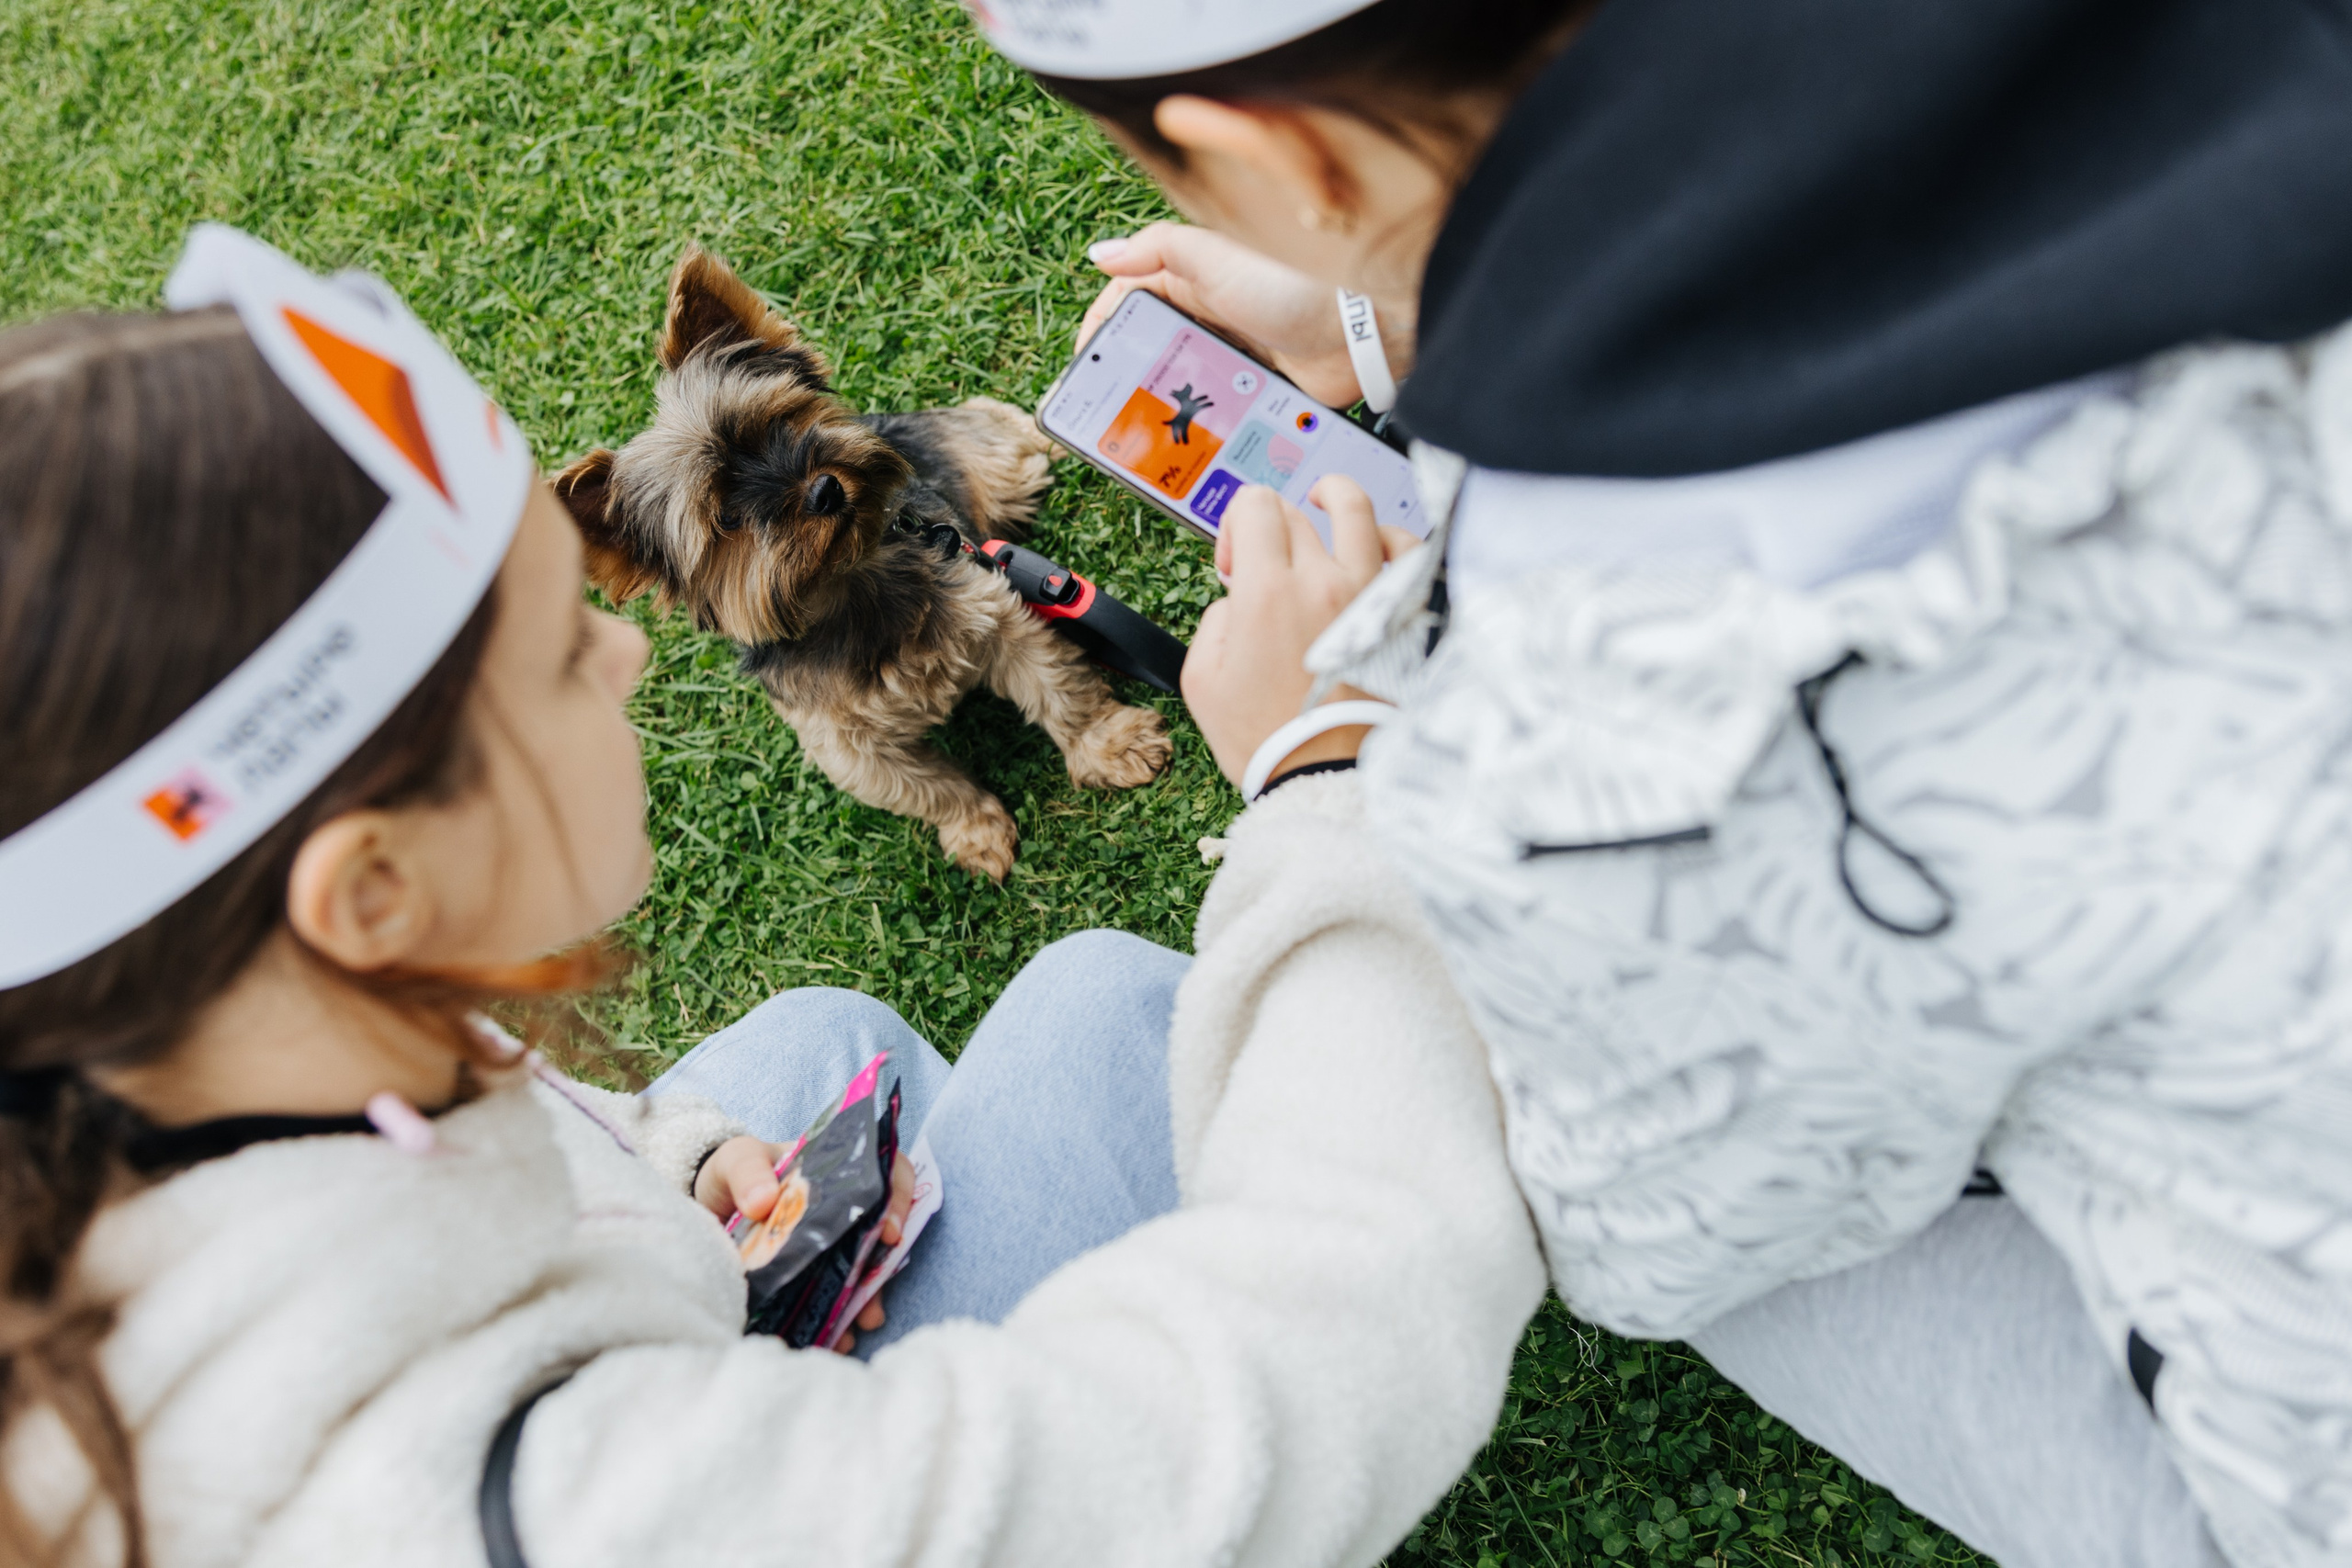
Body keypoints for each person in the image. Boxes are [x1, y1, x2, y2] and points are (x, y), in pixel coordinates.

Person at [963, 0, 2352, 1564]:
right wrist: (1386, 309)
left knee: (1595, 1128)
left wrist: (1320, 759)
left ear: (1271, 154)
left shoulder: (1589, 729)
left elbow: (1653, 1231)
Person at [0, 225, 1544, 1567]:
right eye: (559, 652)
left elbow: (548, 1106)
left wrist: (671, 1160)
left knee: (819, 1040)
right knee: (1102, 1008)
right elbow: (1315, 1370)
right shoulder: (590, 1506)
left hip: (620, 1278)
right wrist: (1322, 772)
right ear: (373, 889)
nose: (625, 655)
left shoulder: (221, 1081)